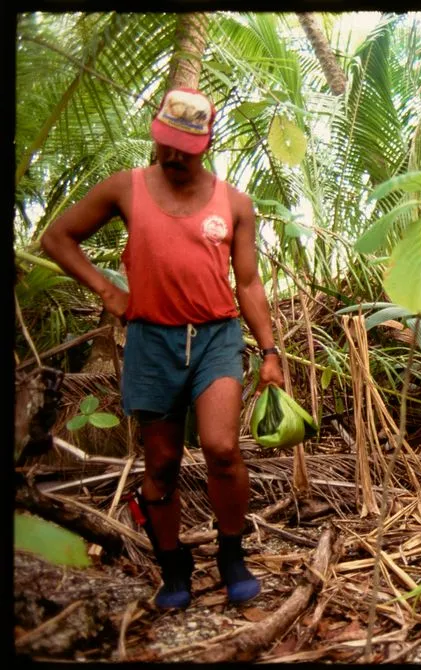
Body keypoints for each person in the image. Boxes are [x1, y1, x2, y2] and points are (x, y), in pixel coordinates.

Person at [41, 87, 284, 609]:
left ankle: (231, 553)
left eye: (186, 148)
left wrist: (269, 352)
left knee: (221, 448)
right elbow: (58, 237)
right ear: (156, 133)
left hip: (216, 337)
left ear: (208, 142)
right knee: (161, 463)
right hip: (153, 341)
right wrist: (108, 291)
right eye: (166, 143)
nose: (174, 155)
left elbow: (248, 283)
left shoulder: (234, 203)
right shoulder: (125, 189)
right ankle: (174, 565)